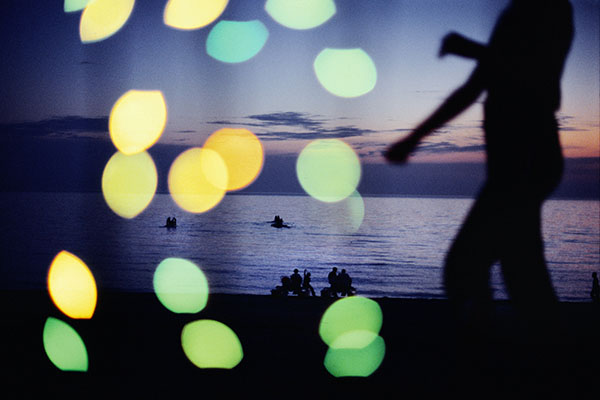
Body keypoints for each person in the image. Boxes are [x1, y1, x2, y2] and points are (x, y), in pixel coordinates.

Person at [386, 0, 573, 337]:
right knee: (515, 268)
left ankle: (500, 355)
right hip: (514, 166)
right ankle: (524, 354)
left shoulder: (551, 9)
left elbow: (535, 77)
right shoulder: (515, 14)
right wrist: (414, 139)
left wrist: (470, 48)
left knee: (469, 267)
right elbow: (473, 88)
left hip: (528, 159)